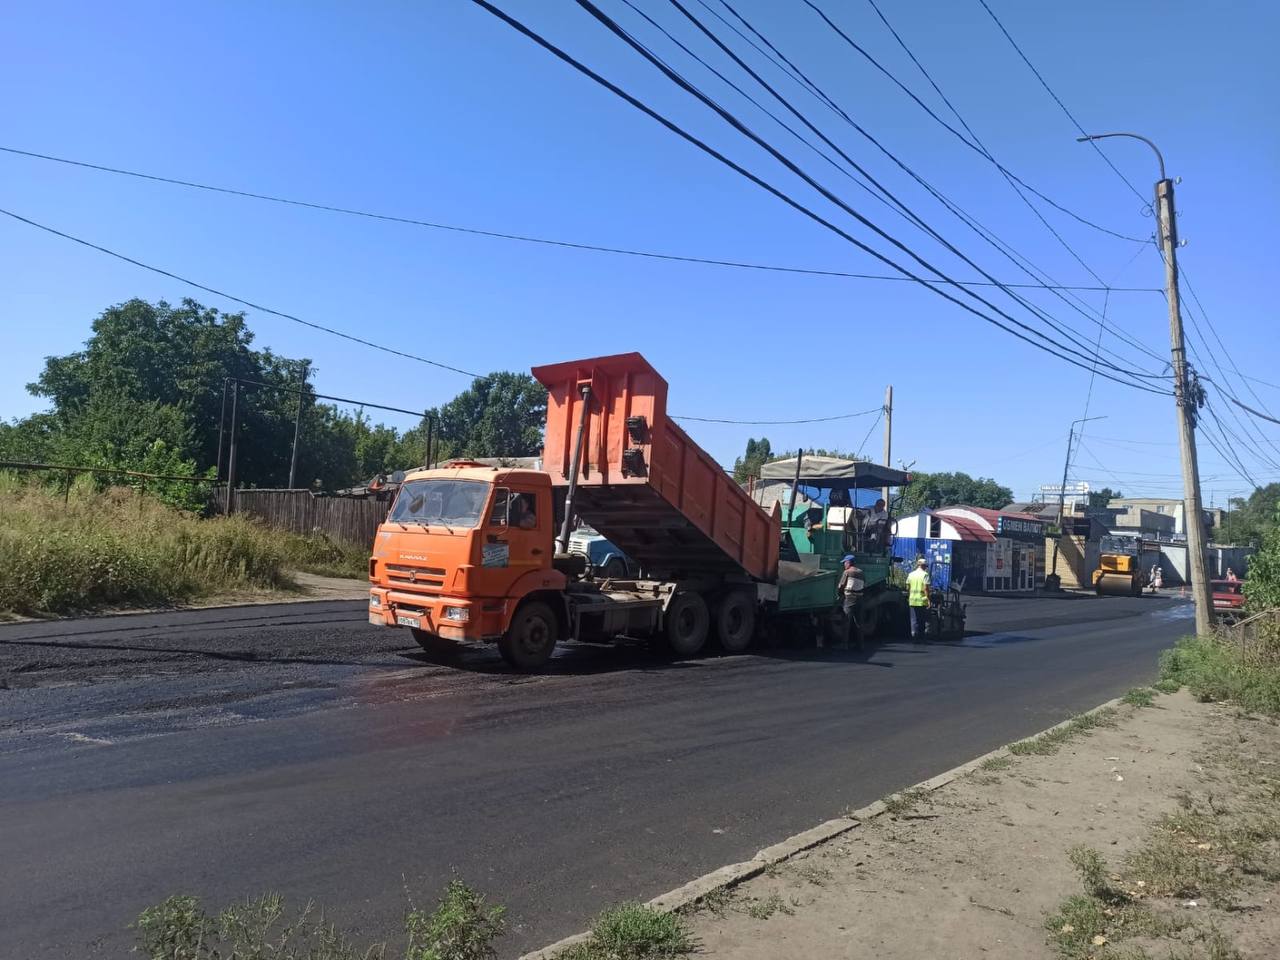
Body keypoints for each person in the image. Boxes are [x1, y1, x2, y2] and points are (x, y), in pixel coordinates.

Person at [836, 554, 865, 650]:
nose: (844, 564)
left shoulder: (847, 572)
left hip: (849, 599)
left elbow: (841, 586)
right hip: (860, 599)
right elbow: (864, 584)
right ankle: (860, 645)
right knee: (859, 623)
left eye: (845, 562)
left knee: (846, 621)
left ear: (849, 563)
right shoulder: (861, 572)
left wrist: (839, 595)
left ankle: (844, 645)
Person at [907, 557, 930, 640]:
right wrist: (928, 599)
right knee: (922, 620)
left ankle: (914, 636)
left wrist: (910, 597)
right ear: (923, 566)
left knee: (913, 620)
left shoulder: (911, 574)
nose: (926, 568)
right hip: (921, 600)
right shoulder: (925, 575)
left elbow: (908, 587)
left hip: (912, 600)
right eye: (925, 566)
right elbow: (925, 588)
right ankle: (921, 637)